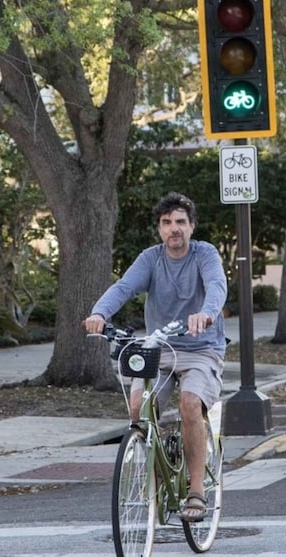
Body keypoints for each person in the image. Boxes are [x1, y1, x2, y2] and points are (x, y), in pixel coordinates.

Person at [83, 192, 226, 523]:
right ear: (160, 229)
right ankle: (159, 471)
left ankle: (195, 490)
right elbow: (124, 287)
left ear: (191, 226)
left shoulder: (205, 254)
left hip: (201, 348)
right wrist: (99, 313)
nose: (173, 229)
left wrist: (206, 313)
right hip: (159, 350)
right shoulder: (151, 258)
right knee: (138, 409)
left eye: (180, 222)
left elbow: (217, 286)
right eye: (166, 223)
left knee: (190, 403)